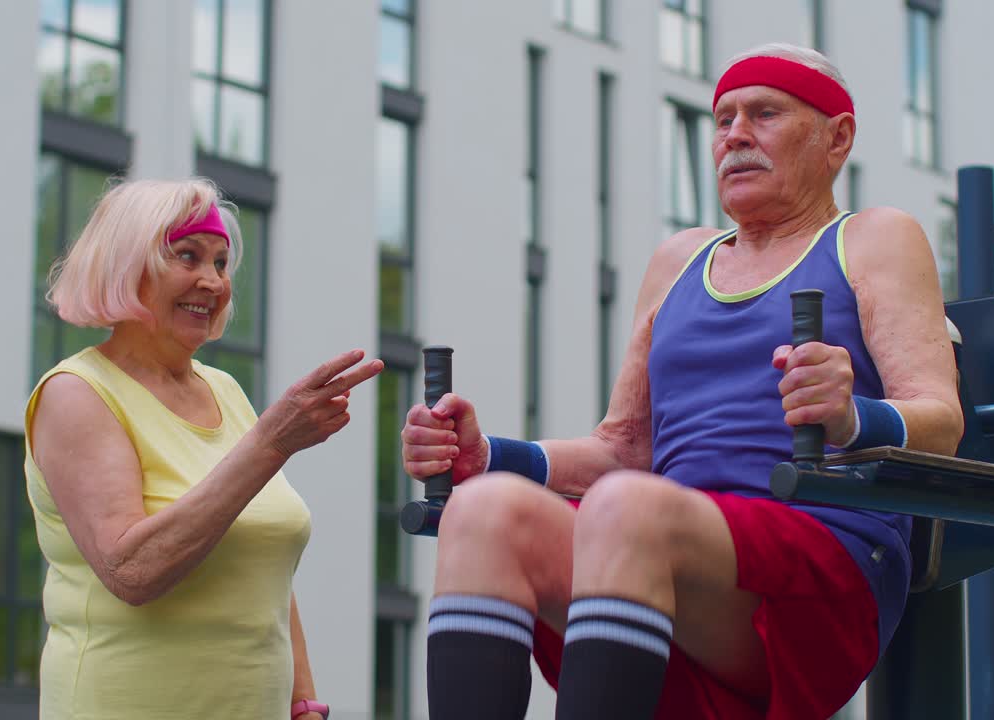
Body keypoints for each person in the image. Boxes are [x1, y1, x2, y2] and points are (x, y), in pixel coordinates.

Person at [401, 44, 962, 719]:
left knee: (626, 508)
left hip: (821, 556)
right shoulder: (678, 260)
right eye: (722, 119)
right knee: (482, 509)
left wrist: (851, 416)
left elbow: (941, 419)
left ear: (836, 137)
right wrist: (488, 457)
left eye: (764, 114)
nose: (735, 136)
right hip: (659, 549)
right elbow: (622, 448)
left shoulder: (874, 238)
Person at [24, 178, 383, 719]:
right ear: (126, 267)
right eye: (187, 257)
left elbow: (265, 566)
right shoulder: (76, 393)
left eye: (221, 263)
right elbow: (132, 571)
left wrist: (304, 702)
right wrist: (271, 443)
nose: (213, 282)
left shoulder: (225, 391)